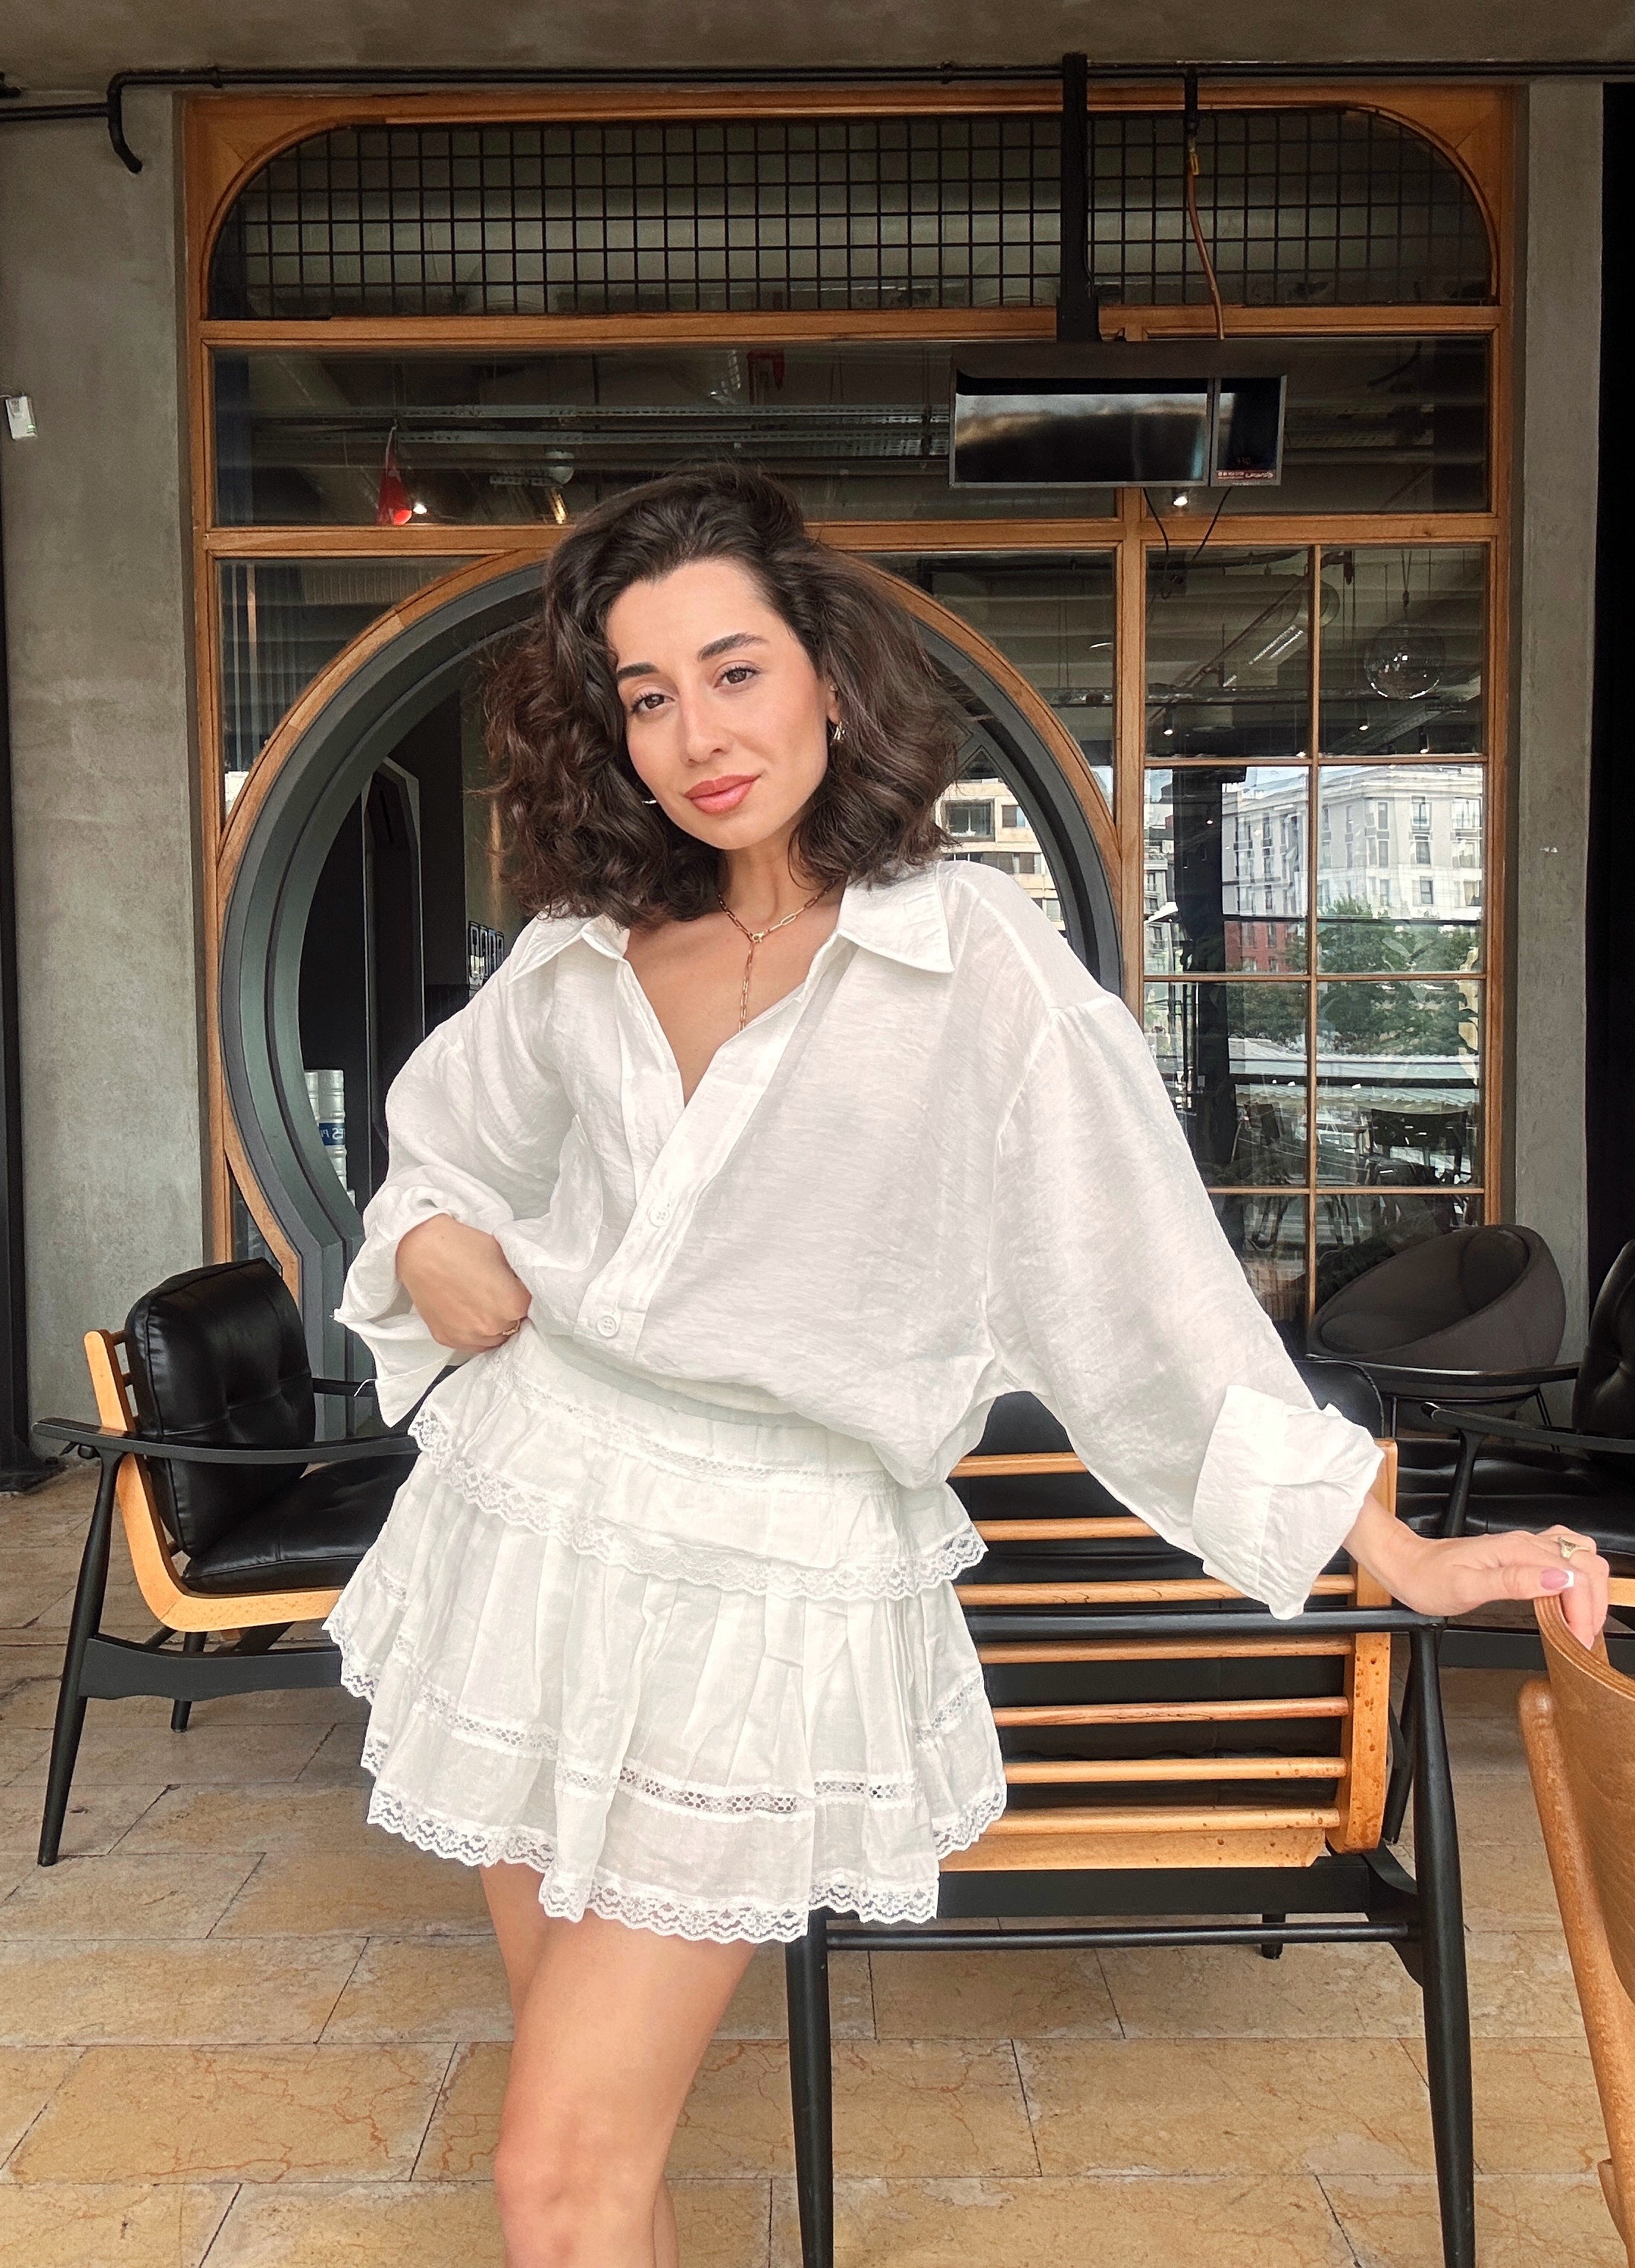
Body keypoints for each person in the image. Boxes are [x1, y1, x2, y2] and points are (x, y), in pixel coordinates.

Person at [328, 463, 1609, 2268]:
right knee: (588, 2140)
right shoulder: (578, 949)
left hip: (770, 1571)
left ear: (827, 674)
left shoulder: (974, 960)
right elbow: (438, 1151)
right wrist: (424, 1237)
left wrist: (1386, 1542)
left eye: (735, 670)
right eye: (647, 694)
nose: (699, 732)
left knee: (553, 2165)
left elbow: (1143, 1285)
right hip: (538, 1517)